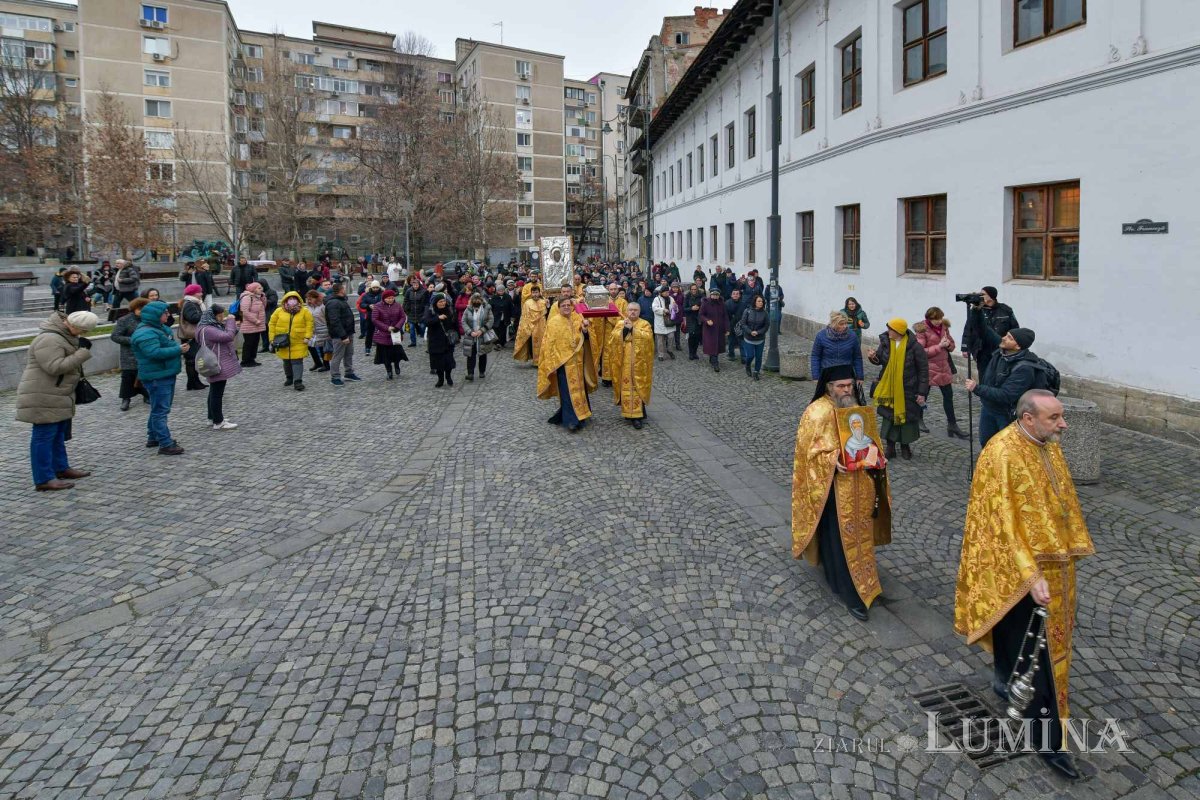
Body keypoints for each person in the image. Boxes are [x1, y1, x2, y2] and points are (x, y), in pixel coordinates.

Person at [954, 390, 1094, 780]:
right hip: (1019, 577)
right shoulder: (1000, 454)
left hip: (1056, 567)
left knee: (1032, 649)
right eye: (1055, 418)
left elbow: (1061, 499)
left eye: (1062, 416)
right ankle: (1050, 742)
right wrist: (1031, 576)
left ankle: (1009, 685)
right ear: (1028, 419)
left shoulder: (1048, 444)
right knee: (1038, 654)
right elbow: (998, 522)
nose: (1063, 424)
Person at [791, 365, 892, 620]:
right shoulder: (817, 412)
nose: (847, 390)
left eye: (849, 385)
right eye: (841, 386)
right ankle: (851, 593)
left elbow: (869, 440)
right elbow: (808, 454)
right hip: (833, 490)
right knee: (841, 542)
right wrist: (831, 461)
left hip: (862, 485)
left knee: (862, 538)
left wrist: (878, 456)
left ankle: (868, 584)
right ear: (829, 387)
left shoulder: (855, 409)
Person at [16, 310, 99, 490]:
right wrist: (82, 353)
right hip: (42, 394)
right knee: (44, 436)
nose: (83, 335)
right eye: (83, 331)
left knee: (58, 434)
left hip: (57, 393)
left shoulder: (64, 335)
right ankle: (44, 479)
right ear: (74, 325)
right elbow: (54, 367)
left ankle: (60, 468)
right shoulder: (50, 339)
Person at [965, 326, 1039, 447]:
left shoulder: (1025, 369)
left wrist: (976, 388)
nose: (1004, 338)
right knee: (987, 444)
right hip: (988, 408)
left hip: (1006, 415)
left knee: (1005, 448)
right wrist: (976, 310)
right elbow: (983, 329)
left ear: (1018, 346)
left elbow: (1006, 395)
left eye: (1009, 337)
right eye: (1006, 334)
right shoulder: (1001, 353)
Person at [131, 300, 187, 455]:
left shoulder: (160, 328)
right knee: (160, 410)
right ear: (156, 315)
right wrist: (177, 350)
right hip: (157, 376)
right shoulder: (145, 333)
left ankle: (153, 437)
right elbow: (153, 353)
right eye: (165, 313)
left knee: (158, 408)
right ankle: (165, 443)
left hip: (165, 373)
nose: (168, 315)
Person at [868, 319, 929, 460]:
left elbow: (923, 370)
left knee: (906, 419)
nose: (888, 332)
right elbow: (880, 361)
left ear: (899, 332)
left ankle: (905, 446)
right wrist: (873, 357)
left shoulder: (915, 347)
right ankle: (890, 447)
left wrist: (921, 392)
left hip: (908, 389)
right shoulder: (886, 343)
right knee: (889, 417)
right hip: (889, 388)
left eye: (891, 330)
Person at [537, 296, 597, 432]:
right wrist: (553, 361)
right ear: (558, 308)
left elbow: (586, 337)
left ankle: (581, 414)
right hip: (562, 363)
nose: (566, 307)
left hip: (578, 361)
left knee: (580, 389)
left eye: (568, 305)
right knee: (567, 391)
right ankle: (571, 420)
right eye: (563, 305)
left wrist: (585, 330)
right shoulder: (553, 322)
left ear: (572, 307)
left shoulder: (578, 319)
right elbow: (549, 344)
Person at [914, 307, 969, 439]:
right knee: (923, 395)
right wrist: (939, 346)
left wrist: (948, 344)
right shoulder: (922, 330)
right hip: (928, 368)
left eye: (940, 318)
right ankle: (918, 419)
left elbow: (952, 345)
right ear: (929, 319)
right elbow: (920, 352)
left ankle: (952, 425)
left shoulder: (944, 327)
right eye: (935, 319)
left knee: (948, 396)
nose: (938, 321)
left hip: (944, 367)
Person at [606, 302, 654, 429]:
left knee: (637, 387)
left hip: (639, 363)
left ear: (639, 311)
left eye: (635, 310)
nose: (633, 312)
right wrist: (625, 330)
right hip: (624, 362)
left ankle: (637, 415)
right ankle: (630, 413)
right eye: (630, 310)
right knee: (627, 387)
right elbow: (612, 339)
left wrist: (633, 329)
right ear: (627, 311)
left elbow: (648, 338)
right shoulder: (620, 323)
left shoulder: (644, 324)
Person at [196, 304, 242, 430]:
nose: (222, 317)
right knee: (217, 393)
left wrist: (232, 325)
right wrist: (231, 320)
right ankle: (218, 421)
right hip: (217, 363)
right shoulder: (209, 329)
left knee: (213, 391)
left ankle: (212, 418)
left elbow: (226, 334)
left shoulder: (205, 326)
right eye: (220, 315)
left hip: (214, 362)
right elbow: (227, 336)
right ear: (213, 315)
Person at [961, 286, 1018, 370]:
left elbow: (1015, 328)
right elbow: (968, 328)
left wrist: (1013, 346)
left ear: (991, 296)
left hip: (1000, 349)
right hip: (982, 350)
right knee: (984, 375)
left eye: (983, 294)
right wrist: (965, 347)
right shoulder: (977, 310)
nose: (980, 296)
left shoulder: (1005, 310)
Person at [110, 297, 151, 410]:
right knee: (128, 376)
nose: (142, 311)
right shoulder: (124, 320)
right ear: (134, 309)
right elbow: (115, 336)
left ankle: (146, 394)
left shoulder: (149, 319)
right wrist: (133, 340)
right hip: (129, 354)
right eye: (140, 309)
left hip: (145, 352)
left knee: (144, 375)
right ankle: (126, 398)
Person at [268, 291, 314, 391]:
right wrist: (271, 338)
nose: (292, 300)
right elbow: (272, 324)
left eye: (294, 298)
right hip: (282, 341)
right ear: (285, 300)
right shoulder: (279, 311)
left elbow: (309, 324)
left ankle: (298, 381)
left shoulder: (304, 311)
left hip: (299, 340)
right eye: (290, 298)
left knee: (297, 361)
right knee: (286, 361)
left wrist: (307, 336)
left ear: (298, 300)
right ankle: (289, 377)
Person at [811, 312, 864, 385]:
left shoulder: (852, 336)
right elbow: (815, 356)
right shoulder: (821, 336)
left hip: (846, 376)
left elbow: (857, 357)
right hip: (827, 376)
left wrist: (860, 377)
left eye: (846, 323)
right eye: (841, 324)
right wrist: (816, 377)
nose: (845, 326)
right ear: (833, 324)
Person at [325, 282, 361, 386]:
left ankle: (349, 373)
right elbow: (334, 321)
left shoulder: (341, 300)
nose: (345, 290)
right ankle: (335, 376)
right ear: (341, 290)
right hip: (340, 335)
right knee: (338, 355)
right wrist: (343, 336)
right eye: (344, 288)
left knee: (349, 353)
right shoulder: (333, 303)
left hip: (348, 332)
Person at [371, 288, 409, 380]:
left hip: (395, 333)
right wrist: (386, 327)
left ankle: (397, 365)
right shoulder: (378, 306)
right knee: (385, 355)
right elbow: (375, 319)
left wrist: (397, 327)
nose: (390, 300)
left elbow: (402, 317)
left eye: (392, 298)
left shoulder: (398, 305)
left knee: (396, 353)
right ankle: (389, 371)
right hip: (383, 334)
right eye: (388, 298)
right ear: (384, 298)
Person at [596, 282, 628, 386]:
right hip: (606, 331)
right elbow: (599, 316)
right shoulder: (604, 301)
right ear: (608, 290)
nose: (613, 291)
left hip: (618, 331)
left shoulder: (623, 302)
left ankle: (618, 377)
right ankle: (606, 378)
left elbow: (625, 317)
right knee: (607, 354)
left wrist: (611, 318)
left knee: (618, 353)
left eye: (615, 289)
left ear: (618, 290)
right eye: (611, 289)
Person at [423, 293, 457, 387]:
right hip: (435, 340)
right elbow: (426, 322)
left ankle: (448, 376)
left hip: (447, 340)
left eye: (443, 301)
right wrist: (438, 318)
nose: (442, 303)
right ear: (435, 303)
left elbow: (454, 323)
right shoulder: (431, 311)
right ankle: (440, 379)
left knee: (448, 361)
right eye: (440, 302)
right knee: (438, 362)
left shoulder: (449, 310)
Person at [461, 291, 494, 382]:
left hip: (482, 335)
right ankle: (470, 373)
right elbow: (463, 321)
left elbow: (491, 320)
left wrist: (482, 330)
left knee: (482, 353)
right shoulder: (468, 309)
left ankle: (482, 371)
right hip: (471, 335)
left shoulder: (487, 308)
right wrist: (470, 332)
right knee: (470, 354)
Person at [179, 285, 207, 391]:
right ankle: (191, 383)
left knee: (195, 359)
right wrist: (205, 314)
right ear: (194, 293)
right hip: (190, 335)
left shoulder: (194, 303)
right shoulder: (189, 304)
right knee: (191, 360)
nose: (201, 294)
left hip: (194, 334)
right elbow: (192, 318)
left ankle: (196, 381)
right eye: (200, 292)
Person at [512, 285, 546, 366]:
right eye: (533, 292)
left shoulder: (543, 301)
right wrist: (527, 328)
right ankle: (535, 361)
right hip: (532, 327)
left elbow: (547, 313)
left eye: (536, 292)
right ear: (531, 293)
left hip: (542, 326)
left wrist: (547, 304)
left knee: (543, 344)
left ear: (539, 293)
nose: (535, 294)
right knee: (532, 345)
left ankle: (542, 361)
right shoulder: (527, 303)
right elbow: (525, 317)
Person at [739, 294, 769, 380]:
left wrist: (758, 332)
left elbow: (766, 326)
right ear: (755, 302)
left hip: (760, 338)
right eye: (759, 301)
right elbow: (743, 323)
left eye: (762, 301)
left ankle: (756, 372)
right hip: (748, 338)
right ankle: (747, 365)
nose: (761, 303)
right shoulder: (747, 311)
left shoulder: (765, 313)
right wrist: (750, 331)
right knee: (750, 356)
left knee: (759, 356)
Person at [237, 282, 267, 367]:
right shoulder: (247, 297)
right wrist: (255, 320)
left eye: (261, 287)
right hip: (249, 324)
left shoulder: (258, 297)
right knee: (249, 343)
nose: (261, 289)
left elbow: (263, 307)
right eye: (259, 288)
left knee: (255, 342)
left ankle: (252, 359)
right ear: (253, 290)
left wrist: (263, 297)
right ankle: (245, 361)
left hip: (257, 325)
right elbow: (244, 311)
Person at [698, 288, 728, 372]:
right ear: (710, 295)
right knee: (712, 345)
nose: (715, 297)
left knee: (717, 345)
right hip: (709, 329)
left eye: (717, 295)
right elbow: (701, 315)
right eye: (713, 295)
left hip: (719, 328)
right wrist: (707, 320)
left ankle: (713, 358)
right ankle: (715, 363)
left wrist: (727, 328)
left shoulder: (722, 303)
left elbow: (725, 316)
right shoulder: (706, 303)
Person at [305, 290, 331, 373]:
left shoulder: (322, 306)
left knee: (322, 347)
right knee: (310, 346)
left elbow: (327, 317)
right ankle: (317, 362)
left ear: (316, 298)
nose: (309, 300)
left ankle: (326, 365)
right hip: (312, 329)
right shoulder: (308, 307)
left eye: (311, 298)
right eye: (307, 298)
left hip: (323, 328)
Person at [357, 280, 384, 356]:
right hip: (370, 315)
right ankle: (367, 348)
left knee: (381, 332)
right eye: (374, 287)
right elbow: (362, 304)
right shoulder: (366, 295)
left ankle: (381, 348)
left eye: (377, 287)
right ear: (371, 287)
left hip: (381, 316)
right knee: (369, 333)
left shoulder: (382, 294)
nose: (375, 289)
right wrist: (368, 306)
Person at [650, 286, 677, 362]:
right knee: (660, 340)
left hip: (669, 321)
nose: (666, 293)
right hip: (660, 322)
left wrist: (675, 307)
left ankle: (670, 350)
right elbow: (654, 308)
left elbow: (675, 309)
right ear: (661, 292)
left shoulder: (671, 298)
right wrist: (663, 310)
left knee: (671, 337)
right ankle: (660, 354)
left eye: (668, 292)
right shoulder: (656, 299)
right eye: (665, 292)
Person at [724, 287, 749, 363]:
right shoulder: (727, 303)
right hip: (730, 325)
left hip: (740, 325)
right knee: (731, 341)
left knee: (741, 341)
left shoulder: (743, 304)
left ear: (739, 295)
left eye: (737, 294)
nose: (735, 295)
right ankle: (731, 354)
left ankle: (743, 357)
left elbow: (745, 315)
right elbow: (725, 316)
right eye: (734, 294)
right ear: (731, 295)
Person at [403, 276, 429, 347]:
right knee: (411, 329)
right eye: (414, 285)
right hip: (411, 313)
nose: (415, 286)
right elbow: (405, 300)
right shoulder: (409, 291)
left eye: (417, 285)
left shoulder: (424, 291)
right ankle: (413, 342)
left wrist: (425, 312)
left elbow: (426, 303)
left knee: (422, 326)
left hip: (421, 313)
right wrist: (405, 309)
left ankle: (422, 335)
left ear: (419, 285)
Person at [487, 282, 513, 349]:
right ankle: (497, 343)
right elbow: (490, 307)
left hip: (505, 316)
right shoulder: (494, 297)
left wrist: (512, 316)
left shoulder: (508, 297)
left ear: (504, 290)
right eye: (499, 290)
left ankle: (502, 343)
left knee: (503, 330)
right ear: (497, 291)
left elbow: (511, 307)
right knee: (496, 330)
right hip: (496, 317)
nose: (501, 292)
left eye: (502, 290)